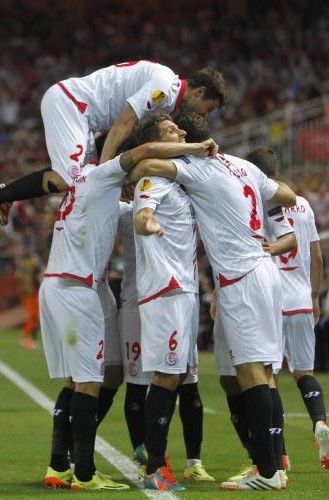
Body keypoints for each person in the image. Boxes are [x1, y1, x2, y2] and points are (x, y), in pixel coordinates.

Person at [40, 116, 215, 491]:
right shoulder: (118, 183)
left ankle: (63, 461)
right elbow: (145, 166)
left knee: (109, 376)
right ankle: (89, 467)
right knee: (102, 380)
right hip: (113, 292)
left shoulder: (105, 189)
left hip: (102, 289)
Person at [127, 114, 297, 491]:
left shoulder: (196, 171)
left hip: (237, 277)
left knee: (250, 372)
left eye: (183, 132)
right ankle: (273, 465)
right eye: (175, 132)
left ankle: (266, 471)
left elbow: (146, 162)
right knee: (260, 373)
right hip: (247, 274)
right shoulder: (243, 167)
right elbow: (286, 195)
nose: (182, 135)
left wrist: (186, 153)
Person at [0, 60, 227, 240]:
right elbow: (123, 123)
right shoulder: (164, 88)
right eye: (210, 107)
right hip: (72, 104)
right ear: (200, 91)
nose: (207, 115)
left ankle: (5, 195)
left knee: (75, 179)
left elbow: (125, 134)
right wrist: (108, 173)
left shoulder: (168, 101)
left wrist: (110, 172)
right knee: (71, 179)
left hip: (86, 118)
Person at [118, 155, 213, 488]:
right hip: (165, 288)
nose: (177, 134)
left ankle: (166, 465)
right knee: (165, 375)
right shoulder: (151, 182)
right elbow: (141, 217)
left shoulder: (181, 187)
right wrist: (149, 224)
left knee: (179, 376)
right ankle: (155, 468)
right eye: (170, 130)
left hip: (184, 292)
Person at [210, 147, 298, 486]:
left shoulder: (260, 197)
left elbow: (288, 236)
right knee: (237, 375)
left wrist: (267, 249)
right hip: (242, 285)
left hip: (248, 284)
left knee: (254, 371)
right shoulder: (247, 194)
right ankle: (271, 460)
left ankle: (266, 464)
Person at [247, 147, 329, 470]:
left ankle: (279, 453)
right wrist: (314, 296)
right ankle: (320, 422)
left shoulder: (258, 201)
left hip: (271, 298)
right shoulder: (303, 204)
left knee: (268, 378)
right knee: (304, 373)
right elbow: (317, 257)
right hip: (301, 300)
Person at [15, 247, 41, 350]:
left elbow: (17, 277)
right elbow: (38, 274)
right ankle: (25, 338)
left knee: (31, 316)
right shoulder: (32, 264)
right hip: (32, 292)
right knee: (33, 316)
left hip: (25, 292)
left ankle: (28, 338)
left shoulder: (21, 265)